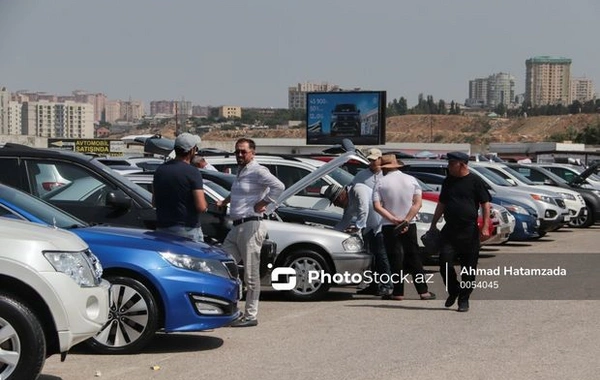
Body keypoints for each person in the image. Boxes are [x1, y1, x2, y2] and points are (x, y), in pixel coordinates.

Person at [217, 138, 284, 327]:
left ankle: (250, 315)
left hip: (251, 225)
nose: (239, 155)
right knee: (224, 265)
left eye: (243, 152)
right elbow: (239, 193)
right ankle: (231, 309)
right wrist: (224, 201)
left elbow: (279, 186)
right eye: (237, 151)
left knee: (251, 273)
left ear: (252, 153)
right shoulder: (242, 171)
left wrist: (264, 202)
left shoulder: (258, 170)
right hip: (237, 226)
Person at [429, 151, 491, 312]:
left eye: (451, 163)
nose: (448, 166)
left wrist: (485, 226)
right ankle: (454, 290)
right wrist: (433, 224)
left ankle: (464, 299)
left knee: (468, 268)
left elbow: (485, 204)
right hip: (450, 230)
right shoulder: (448, 181)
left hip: (469, 231)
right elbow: (441, 203)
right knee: (444, 263)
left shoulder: (475, 181)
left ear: (462, 164)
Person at [373, 154, 435, 301]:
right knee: (414, 257)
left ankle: (398, 292)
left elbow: (377, 206)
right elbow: (417, 203)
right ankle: (423, 291)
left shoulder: (380, 183)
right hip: (410, 224)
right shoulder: (411, 180)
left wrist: (393, 219)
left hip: (389, 225)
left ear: (384, 168)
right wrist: (406, 220)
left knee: (395, 259)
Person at [322, 183, 391, 296]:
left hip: (379, 226)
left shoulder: (358, 190)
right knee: (371, 259)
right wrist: (331, 233)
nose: (336, 205)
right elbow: (345, 221)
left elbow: (364, 208)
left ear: (340, 197)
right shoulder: (348, 204)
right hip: (369, 228)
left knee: (381, 257)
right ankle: (374, 285)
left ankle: (387, 285)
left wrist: (358, 226)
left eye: (335, 202)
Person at [153, 133, 207, 242]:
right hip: (187, 229)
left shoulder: (160, 170)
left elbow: (154, 201)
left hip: (162, 228)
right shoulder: (192, 172)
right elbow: (201, 206)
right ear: (191, 150)